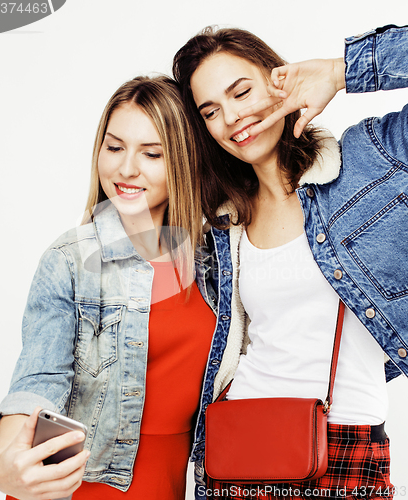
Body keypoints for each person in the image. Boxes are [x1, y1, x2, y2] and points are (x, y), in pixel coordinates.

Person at [172, 24, 408, 499]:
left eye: (241, 92)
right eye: (211, 111)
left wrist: (343, 71)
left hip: (346, 447)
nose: (232, 117)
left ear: (279, 78)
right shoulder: (221, 230)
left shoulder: (371, 158)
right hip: (239, 447)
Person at [0, 75, 217, 500]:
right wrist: (6, 456)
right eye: (114, 147)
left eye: (152, 154)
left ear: (184, 161)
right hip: (80, 486)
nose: (126, 168)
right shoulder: (69, 259)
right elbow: (39, 375)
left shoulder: (215, 261)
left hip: (169, 485)